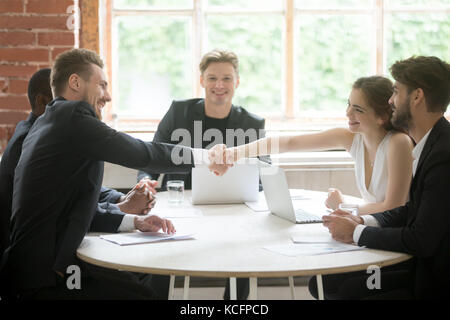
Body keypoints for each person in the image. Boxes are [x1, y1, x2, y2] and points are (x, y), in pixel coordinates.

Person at [0, 48, 224, 300]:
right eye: (102, 85)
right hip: (44, 279)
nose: (107, 96)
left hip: (39, 271)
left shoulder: (49, 122)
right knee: (142, 295)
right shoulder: (73, 117)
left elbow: (69, 209)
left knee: (138, 281)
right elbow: (143, 153)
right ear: (75, 82)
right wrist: (206, 157)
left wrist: (134, 222)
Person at [312, 55, 450, 299]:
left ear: (416, 97)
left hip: (432, 280)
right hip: (421, 266)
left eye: (396, 92)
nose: (390, 101)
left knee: (344, 290)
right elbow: (412, 211)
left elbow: (421, 239)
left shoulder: (443, 156)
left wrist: (355, 233)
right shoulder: (433, 143)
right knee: (325, 282)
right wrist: (362, 221)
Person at [224, 76, 414, 215]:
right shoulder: (352, 137)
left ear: (381, 117)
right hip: (371, 226)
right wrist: (233, 153)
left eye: (358, 109)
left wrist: (344, 206)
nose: (348, 113)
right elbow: (290, 143)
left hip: (394, 233)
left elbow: (394, 206)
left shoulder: (398, 143)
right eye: (349, 104)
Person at [137, 49, 269, 191]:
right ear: (202, 81)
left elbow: (265, 173)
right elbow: (154, 156)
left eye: (227, 78)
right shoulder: (179, 112)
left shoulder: (253, 124)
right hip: (182, 200)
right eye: (212, 78)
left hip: (233, 201)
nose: (219, 85)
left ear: (237, 82)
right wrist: (146, 181)